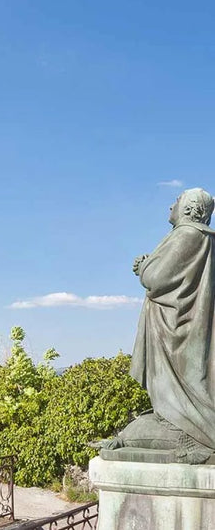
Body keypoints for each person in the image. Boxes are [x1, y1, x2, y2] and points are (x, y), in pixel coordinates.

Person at [130, 187, 215, 460]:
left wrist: (144, 267)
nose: (171, 205)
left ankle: (191, 428)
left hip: (176, 329)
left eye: (177, 201)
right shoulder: (204, 240)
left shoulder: (188, 235)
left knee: (183, 393)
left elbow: (156, 279)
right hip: (186, 325)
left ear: (190, 209)